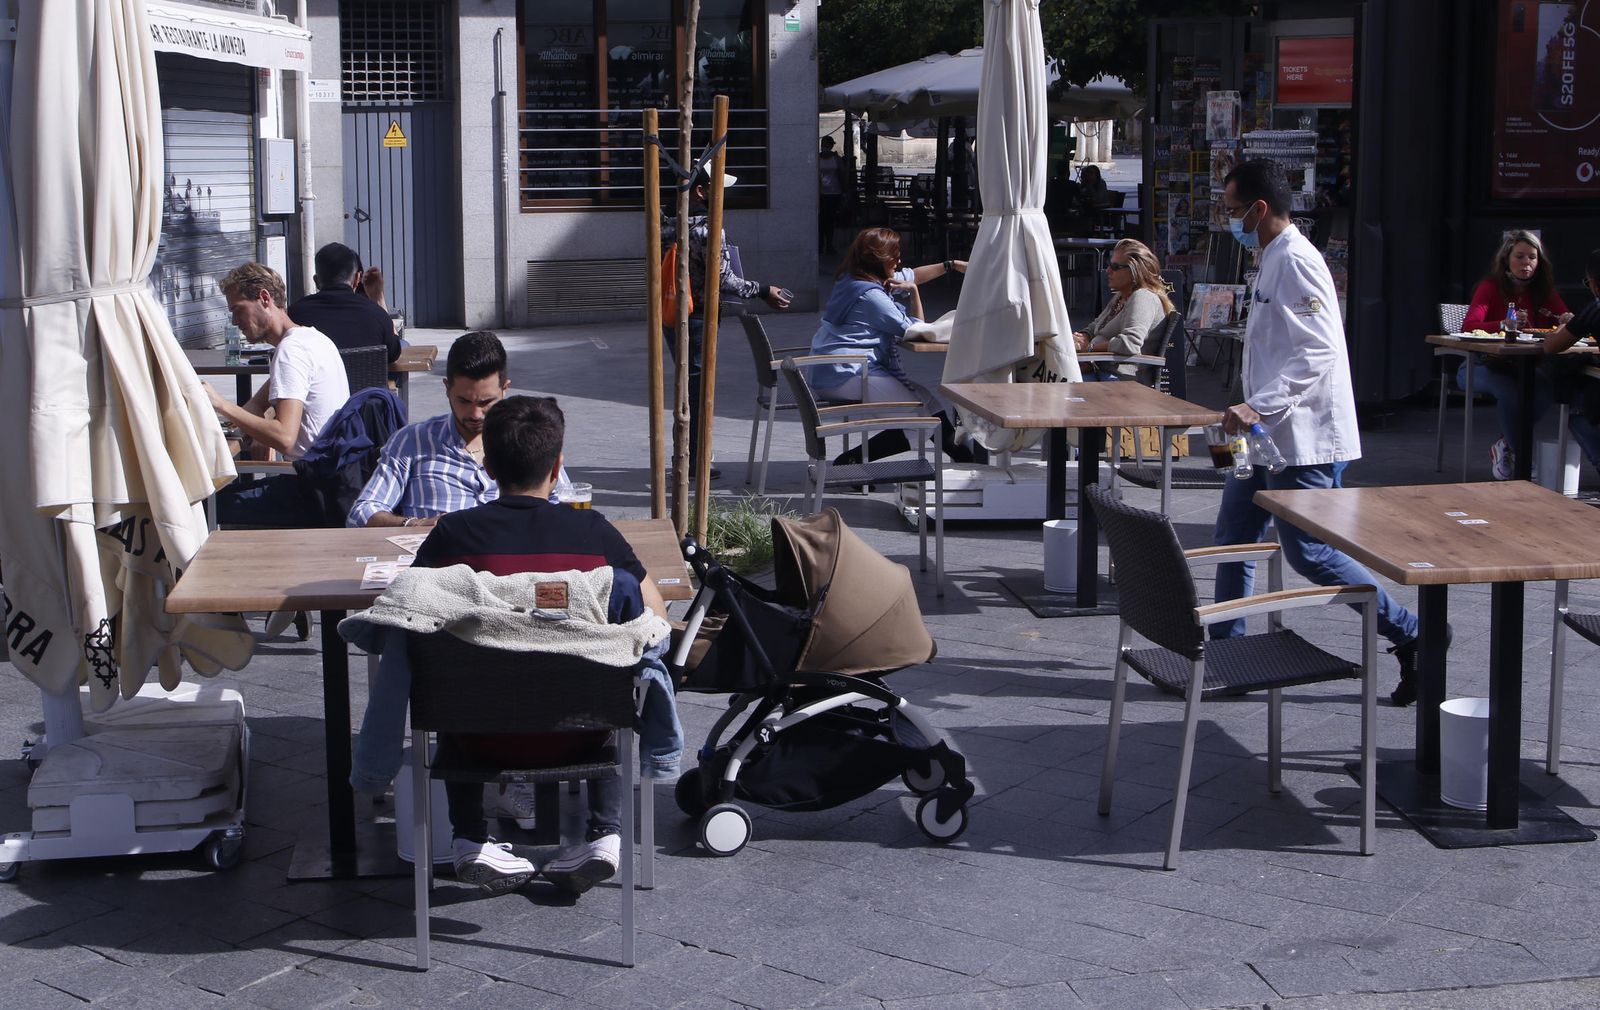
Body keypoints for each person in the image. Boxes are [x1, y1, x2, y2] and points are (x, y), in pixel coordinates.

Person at [354, 395, 670, 894]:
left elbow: (415, 609)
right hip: (582, 733)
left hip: (476, 736)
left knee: (454, 682)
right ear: (558, 466)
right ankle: (605, 833)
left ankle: (471, 838)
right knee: (612, 674)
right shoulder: (593, 532)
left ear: (490, 465)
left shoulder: (454, 535)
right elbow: (655, 615)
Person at [1211, 160, 1436, 707]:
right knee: (1234, 537)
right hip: (1264, 435)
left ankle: (1411, 631)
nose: (1229, 220)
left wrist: (1255, 405)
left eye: (1234, 210)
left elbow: (1319, 351)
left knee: (1308, 551)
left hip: (1303, 438)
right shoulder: (1269, 257)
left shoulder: (1298, 261)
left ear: (1260, 209)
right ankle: (1228, 654)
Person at [348, 330, 573, 527]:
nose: (475, 414)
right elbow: (361, 513)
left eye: (486, 403)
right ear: (447, 388)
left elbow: (567, 506)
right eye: (464, 401)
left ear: (505, 389)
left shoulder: (529, 438)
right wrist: (415, 524)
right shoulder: (411, 442)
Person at [661, 168, 792, 480]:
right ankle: (693, 459)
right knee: (698, 385)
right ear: (702, 192)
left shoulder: (666, 219)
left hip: (671, 308)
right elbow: (723, 278)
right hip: (697, 314)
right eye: (719, 188)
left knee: (687, 383)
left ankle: (688, 454)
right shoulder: (708, 229)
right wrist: (763, 290)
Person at [808, 227, 974, 466]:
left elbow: (912, 275)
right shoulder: (872, 297)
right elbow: (917, 331)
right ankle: (849, 462)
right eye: (894, 257)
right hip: (848, 373)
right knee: (920, 425)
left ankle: (961, 456)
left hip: (836, 369)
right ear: (878, 260)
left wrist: (951, 265)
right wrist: (915, 294)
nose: (899, 261)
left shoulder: (856, 279)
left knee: (927, 402)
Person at [206, 262, 350, 526]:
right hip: (334, 482)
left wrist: (220, 404)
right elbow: (256, 406)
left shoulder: (290, 353)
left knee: (206, 508)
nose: (235, 322)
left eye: (238, 310)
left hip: (308, 490)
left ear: (264, 298)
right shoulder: (313, 339)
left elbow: (284, 437)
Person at [1458, 230, 1572, 479]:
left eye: (1532, 257)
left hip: (1524, 366)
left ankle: (1506, 444)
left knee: (1543, 390)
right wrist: (1503, 323)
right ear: (1506, 259)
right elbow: (1468, 326)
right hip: (1481, 364)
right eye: (1520, 256)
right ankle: (1522, 460)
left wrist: (1566, 321)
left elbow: (1565, 323)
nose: (1526, 263)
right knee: (1511, 392)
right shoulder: (1490, 287)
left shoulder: (1543, 290)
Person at [1072, 239, 1172, 380]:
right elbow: (1096, 326)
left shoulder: (1143, 298)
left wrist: (1089, 349)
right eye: (1109, 265)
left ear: (1135, 271)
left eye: (1115, 266)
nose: (1108, 271)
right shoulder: (1121, 296)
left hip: (1120, 379)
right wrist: (1081, 337)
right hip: (1100, 369)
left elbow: (1130, 343)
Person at [288, 242, 401, 361]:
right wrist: (378, 298)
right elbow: (394, 352)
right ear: (357, 278)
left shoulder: (295, 314)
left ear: (316, 281)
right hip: (365, 379)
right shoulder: (377, 314)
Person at [1541, 247, 1600, 471]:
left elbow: (1552, 346)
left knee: (1577, 415)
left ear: (1594, 283)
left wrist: (1564, 326)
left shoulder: (1595, 309)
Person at [818, 136, 845, 254]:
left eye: (826, 145)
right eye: (823, 145)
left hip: (834, 192)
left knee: (830, 220)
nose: (824, 147)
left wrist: (844, 191)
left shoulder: (836, 159)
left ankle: (829, 244)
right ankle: (820, 244)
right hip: (820, 193)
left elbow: (842, 174)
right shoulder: (817, 158)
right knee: (820, 220)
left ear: (831, 146)